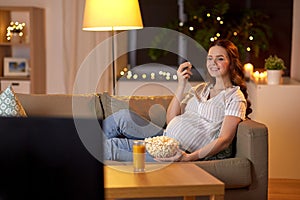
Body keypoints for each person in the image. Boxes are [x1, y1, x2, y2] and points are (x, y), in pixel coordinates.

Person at [102, 39, 252, 162]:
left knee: (109, 147)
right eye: (210, 58)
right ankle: (82, 145)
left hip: (179, 152)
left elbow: (224, 140)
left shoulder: (234, 97)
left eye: (220, 59)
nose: (213, 63)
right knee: (121, 116)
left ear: (231, 63)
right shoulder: (201, 89)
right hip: (165, 140)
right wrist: (181, 85)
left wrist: (189, 157)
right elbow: (171, 119)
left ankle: (80, 155)